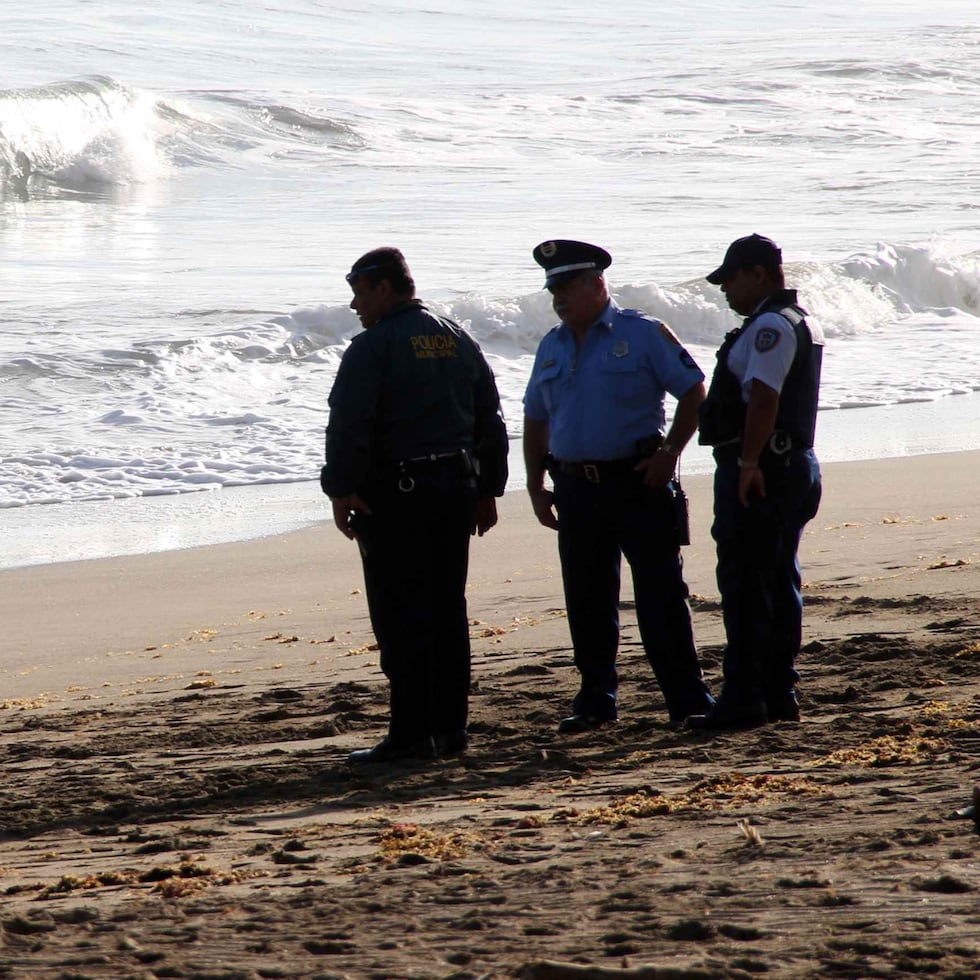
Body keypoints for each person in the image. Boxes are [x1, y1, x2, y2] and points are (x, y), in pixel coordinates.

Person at [320, 247, 508, 764]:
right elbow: (488, 415)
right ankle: (450, 729)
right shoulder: (457, 336)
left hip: (398, 497)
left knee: (403, 616)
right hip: (455, 492)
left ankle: (410, 734)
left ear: (384, 288)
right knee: (448, 611)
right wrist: (489, 487)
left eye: (359, 292)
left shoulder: (374, 346)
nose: (355, 305)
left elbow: (349, 422)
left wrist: (340, 487)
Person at [523, 239, 714, 733]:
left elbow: (694, 391)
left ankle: (687, 698)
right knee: (586, 599)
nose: (558, 298)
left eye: (567, 287)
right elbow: (535, 417)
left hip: (636, 483)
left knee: (661, 596)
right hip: (574, 487)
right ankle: (595, 699)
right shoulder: (552, 343)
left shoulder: (643, 333)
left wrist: (670, 452)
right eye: (553, 290)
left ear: (597, 283)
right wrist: (534, 482)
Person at [687, 234, 823, 730]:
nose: (725, 290)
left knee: (747, 583)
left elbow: (764, 398)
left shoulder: (769, 326)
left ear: (759, 274)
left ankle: (746, 695)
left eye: (731, 279)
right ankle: (777, 688)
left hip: (764, 471)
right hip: (790, 466)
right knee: (777, 578)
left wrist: (747, 463)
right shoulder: (796, 320)